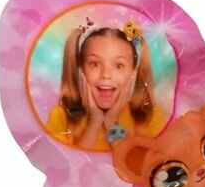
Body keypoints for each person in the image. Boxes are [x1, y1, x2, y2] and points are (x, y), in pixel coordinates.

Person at [46, 19, 165, 150]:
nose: (106, 74)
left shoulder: (150, 117)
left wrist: (111, 123)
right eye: (95, 64)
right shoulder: (61, 116)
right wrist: (95, 122)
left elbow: (141, 163)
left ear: (133, 72)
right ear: (81, 69)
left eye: (118, 66)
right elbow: (66, 162)